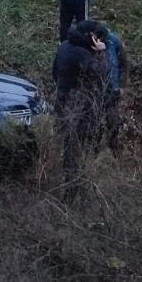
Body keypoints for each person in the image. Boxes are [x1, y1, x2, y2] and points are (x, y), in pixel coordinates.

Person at [52, 22, 108, 191]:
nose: (98, 40)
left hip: (62, 102)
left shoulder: (63, 46)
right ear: (90, 35)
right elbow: (101, 75)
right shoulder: (83, 54)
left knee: (68, 146)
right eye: (97, 37)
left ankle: (70, 183)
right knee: (77, 150)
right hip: (79, 108)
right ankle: (74, 189)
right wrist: (101, 52)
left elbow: (54, 72)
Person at [82, 21, 128, 154]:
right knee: (94, 121)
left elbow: (124, 65)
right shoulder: (90, 42)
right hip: (96, 90)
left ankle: (113, 149)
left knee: (113, 121)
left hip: (112, 89)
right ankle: (94, 150)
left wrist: (122, 86)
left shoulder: (115, 42)